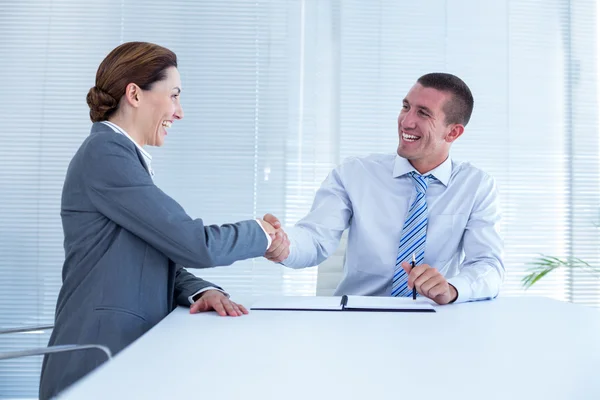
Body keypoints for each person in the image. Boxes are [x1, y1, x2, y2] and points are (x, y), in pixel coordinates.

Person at [39, 41, 288, 399]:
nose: (180, 111)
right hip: (97, 362)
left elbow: (147, 257)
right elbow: (193, 244)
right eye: (173, 95)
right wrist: (261, 234)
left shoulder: (120, 157)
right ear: (135, 95)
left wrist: (203, 291)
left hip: (123, 359)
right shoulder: (105, 153)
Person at [264, 72, 504, 305]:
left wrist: (452, 289)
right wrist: (284, 245)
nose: (406, 121)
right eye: (406, 107)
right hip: (357, 320)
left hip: (433, 320)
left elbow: (488, 266)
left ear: (453, 132)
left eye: (423, 113)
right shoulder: (354, 173)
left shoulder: (476, 186)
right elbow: (315, 239)